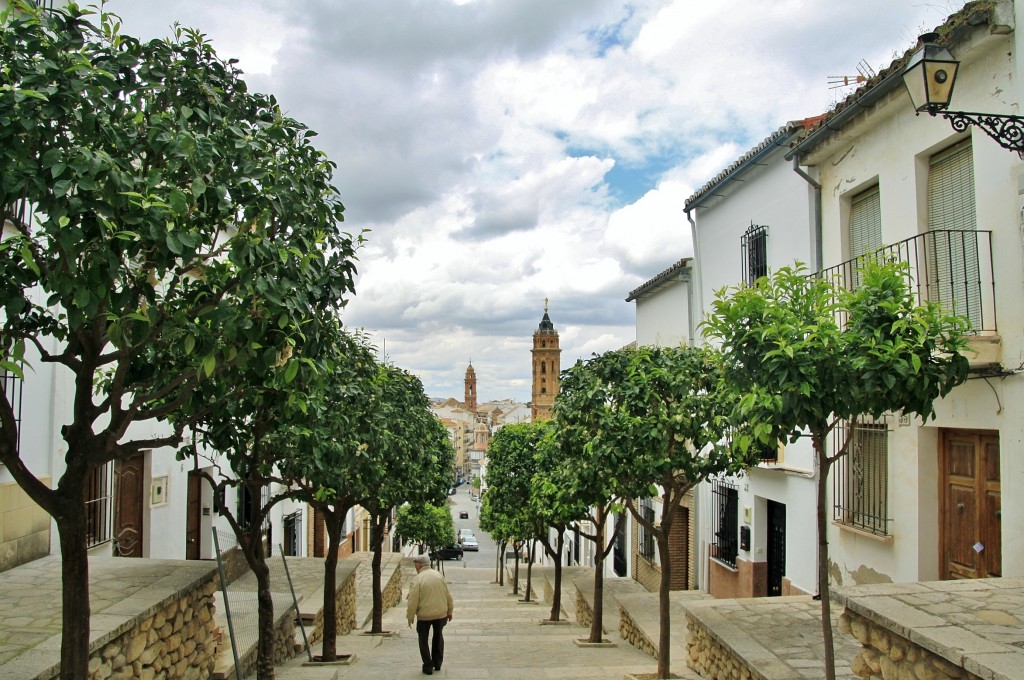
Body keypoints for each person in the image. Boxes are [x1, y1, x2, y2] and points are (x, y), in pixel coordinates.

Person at [407, 554, 454, 675]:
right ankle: (437, 663)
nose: (415, 566)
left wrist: (410, 617)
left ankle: (428, 665)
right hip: (440, 614)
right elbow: (447, 594)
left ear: (419, 565)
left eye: (416, 564)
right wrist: (450, 611)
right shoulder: (439, 576)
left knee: (423, 639)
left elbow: (413, 600)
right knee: (438, 637)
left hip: (424, 615)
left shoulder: (418, 579)